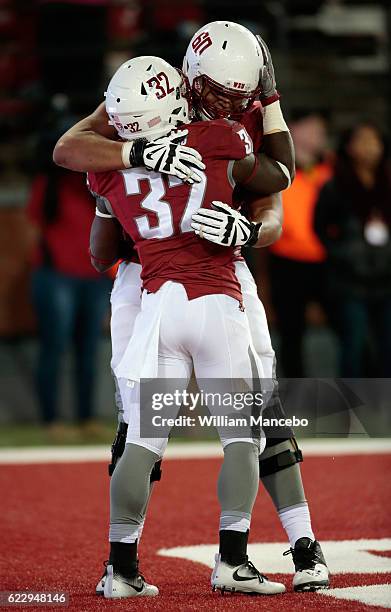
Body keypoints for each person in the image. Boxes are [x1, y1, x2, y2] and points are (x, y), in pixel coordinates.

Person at [54, 22, 329, 592]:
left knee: (208, 418)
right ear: (190, 77)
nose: (232, 103)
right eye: (223, 92)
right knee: (221, 424)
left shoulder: (157, 114)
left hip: (181, 277)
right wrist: (137, 155)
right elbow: (68, 147)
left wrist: (250, 232)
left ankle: (297, 545)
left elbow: (270, 208)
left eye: (243, 94)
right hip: (178, 282)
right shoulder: (161, 102)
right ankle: (223, 558)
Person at [89, 54, 289, 599]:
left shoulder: (105, 167)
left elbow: (98, 252)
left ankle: (121, 569)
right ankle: (232, 561)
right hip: (215, 300)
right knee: (242, 438)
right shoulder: (218, 139)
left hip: (156, 306)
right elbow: (281, 173)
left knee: (143, 442)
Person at [27, 139, 111, 438]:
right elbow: (32, 229)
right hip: (55, 276)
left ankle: (85, 417)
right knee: (55, 346)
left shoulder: (97, 181)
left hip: (94, 277)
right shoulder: (48, 183)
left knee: (88, 350)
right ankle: (51, 420)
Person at [314, 122, 391, 377]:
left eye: (374, 140)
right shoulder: (335, 186)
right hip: (349, 281)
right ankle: (351, 406)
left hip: (386, 279)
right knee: (353, 344)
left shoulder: (387, 184)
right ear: (349, 147)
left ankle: (382, 405)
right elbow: (320, 227)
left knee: (387, 344)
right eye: (362, 140)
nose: (369, 147)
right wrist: (343, 254)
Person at [268, 111, 332, 377]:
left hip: (329, 260)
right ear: (292, 128)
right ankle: (297, 389)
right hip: (287, 259)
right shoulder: (274, 167)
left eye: (321, 130)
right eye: (310, 128)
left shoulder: (330, 170)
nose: (316, 135)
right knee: (291, 329)